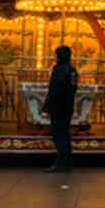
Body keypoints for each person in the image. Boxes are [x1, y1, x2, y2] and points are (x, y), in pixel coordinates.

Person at [41, 44, 78, 173]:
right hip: (67, 106)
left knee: (59, 136)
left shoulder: (58, 70)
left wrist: (47, 107)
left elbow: (53, 90)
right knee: (65, 135)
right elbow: (73, 88)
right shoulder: (72, 70)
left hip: (58, 107)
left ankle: (60, 163)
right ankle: (67, 162)